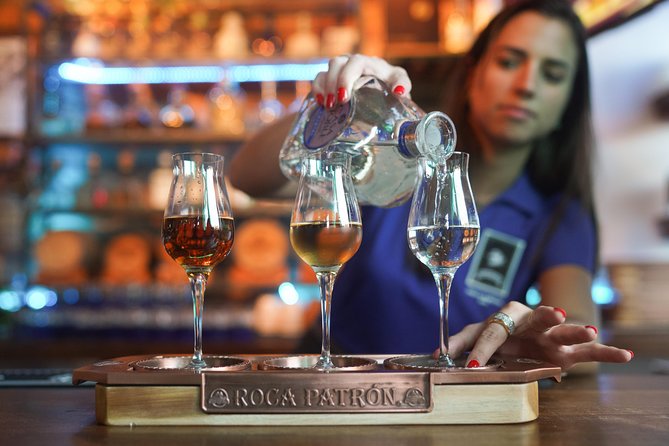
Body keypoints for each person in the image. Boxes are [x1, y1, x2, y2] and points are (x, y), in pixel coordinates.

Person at [229, 0, 633, 373]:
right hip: (343, 383)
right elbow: (246, 177)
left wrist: (527, 336)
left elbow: (580, 339)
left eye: (553, 74)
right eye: (509, 61)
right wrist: (330, 111)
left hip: (449, 398)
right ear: (472, 74)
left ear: (567, 103)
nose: (527, 84)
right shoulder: (391, 157)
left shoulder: (556, 212)